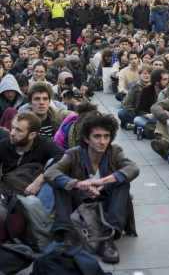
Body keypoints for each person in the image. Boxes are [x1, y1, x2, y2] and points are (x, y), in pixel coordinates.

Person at [44, 111, 140, 263]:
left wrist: (100, 182)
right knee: (60, 184)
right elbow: (50, 172)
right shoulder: (73, 154)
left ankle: (107, 240)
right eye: (97, 136)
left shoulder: (114, 151)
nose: (102, 141)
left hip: (107, 203)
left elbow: (133, 168)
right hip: (80, 202)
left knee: (122, 183)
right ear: (86, 138)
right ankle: (66, 237)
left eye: (106, 136)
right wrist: (78, 184)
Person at [0, 111, 65, 213]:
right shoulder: (4, 144)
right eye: (13, 128)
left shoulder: (43, 144)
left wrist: (40, 180)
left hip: (34, 193)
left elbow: (63, 156)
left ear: (32, 135)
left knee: (53, 169)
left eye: (19, 130)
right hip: (9, 189)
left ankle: (41, 219)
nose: (12, 133)